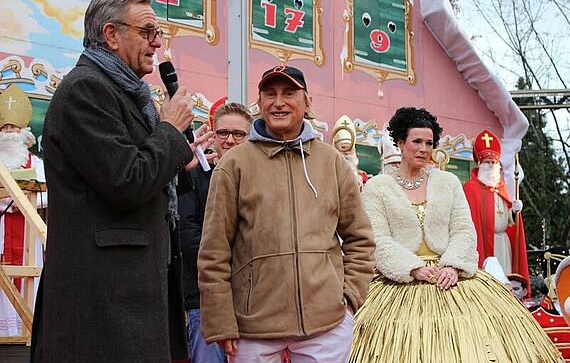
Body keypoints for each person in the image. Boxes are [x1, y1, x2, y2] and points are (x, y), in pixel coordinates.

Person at [30, 0, 200, 362]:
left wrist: (178, 160)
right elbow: (127, 182)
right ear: (111, 34)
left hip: (127, 298)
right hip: (103, 303)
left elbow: (139, 171)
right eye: (147, 31)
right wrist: (170, 131)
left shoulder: (125, 93)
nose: (157, 43)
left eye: (158, 33)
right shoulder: (86, 90)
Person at [350, 107, 563, 362]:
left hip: (450, 277)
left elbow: (463, 229)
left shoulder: (448, 182)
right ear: (400, 143)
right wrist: (413, 268)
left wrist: (452, 266)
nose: (423, 149)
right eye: (416, 141)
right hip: (401, 281)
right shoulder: (377, 187)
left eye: (429, 143)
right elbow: (377, 239)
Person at [198, 65, 375, 362]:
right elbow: (214, 251)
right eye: (270, 94)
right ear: (260, 104)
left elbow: (360, 239)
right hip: (252, 326)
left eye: (289, 93)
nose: (278, 102)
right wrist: (222, 320)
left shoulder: (331, 162)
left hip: (326, 325)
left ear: (306, 103)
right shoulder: (234, 165)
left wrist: (348, 301)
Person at [177, 102, 253, 362]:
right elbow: (187, 233)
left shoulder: (262, 180)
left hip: (254, 302)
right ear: (213, 135)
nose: (230, 140)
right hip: (204, 300)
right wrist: (226, 265)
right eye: (223, 133)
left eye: (238, 134)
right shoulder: (194, 175)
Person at [0, 84, 47, 337]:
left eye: (14, 128)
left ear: (23, 132)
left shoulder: (36, 164)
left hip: (29, 232)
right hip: (1, 229)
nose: (9, 133)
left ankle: (27, 331)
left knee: (30, 281)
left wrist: (24, 201)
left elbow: (48, 195)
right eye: (5, 128)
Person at [463, 130, 529, 285]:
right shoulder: (470, 189)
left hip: (503, 243)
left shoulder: (502, 188)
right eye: (487, 162)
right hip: (483, 244)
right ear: (479, 165)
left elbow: (511, 222)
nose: (491, 165)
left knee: (505, 278)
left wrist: (514, 211)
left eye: (494, 163)